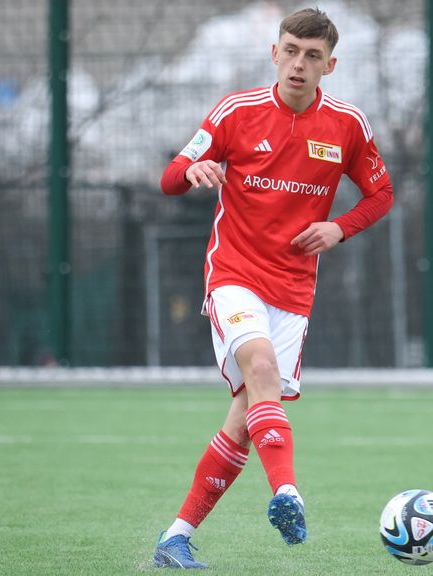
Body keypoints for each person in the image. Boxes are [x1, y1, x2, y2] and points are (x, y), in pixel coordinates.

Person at [153, 7, 394, 569]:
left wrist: (340, 227)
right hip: (233, 274)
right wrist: (191, 171)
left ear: (329, 65)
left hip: (293, 291)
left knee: (243, 418)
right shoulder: (235, 112)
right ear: (274, 53)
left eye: (312, 56)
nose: (298, 64)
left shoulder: (347, 126)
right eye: (290, 50)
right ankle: (286, 491)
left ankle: (175, 538)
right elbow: (169, 178)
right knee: (259, 369)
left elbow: (381, 194)